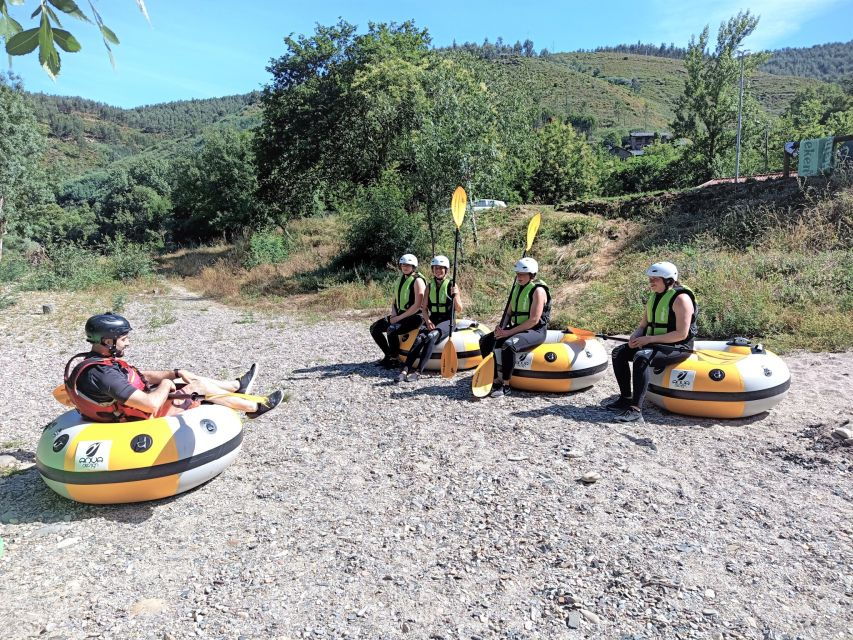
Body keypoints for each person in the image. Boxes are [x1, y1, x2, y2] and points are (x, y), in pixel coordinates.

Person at [64, 313, 284, 423]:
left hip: (130, 405)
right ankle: (253, 406)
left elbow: (139, 377)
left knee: (191, 384)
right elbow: (150, 405)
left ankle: (240, 391)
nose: (127, 343)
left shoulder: (97, 361)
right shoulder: (103, 374)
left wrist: (175, 374)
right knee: (198, 389)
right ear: (107, 341)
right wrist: (168, 384)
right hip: (134, 419)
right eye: (123, 339)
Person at [607, 261, 698, 423]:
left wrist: (649, 339)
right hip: (655, 343)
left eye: (655, 279)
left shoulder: (681, 299)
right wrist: (635, 337)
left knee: (642, 357)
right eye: (650, 278)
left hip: (678, 347)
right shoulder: (654, 297)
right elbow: (643, 325)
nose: (651, 282)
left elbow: (681, 334)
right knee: (618, 352)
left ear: (669, 280)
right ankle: (625, 398)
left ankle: (636, 410)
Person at [479, 257, 551, 398]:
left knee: (508, 345)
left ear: (532, 275)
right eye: (517, 273)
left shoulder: (538, 291)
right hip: (518, 327)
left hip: (535, 331)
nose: (519, 277)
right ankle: (493, 379)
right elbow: (508, 313)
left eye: (522, 274)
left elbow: (533, 320)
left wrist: (508, 333)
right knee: (485, 341)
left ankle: (506, 386)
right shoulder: (516, 289)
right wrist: (501, 329)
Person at [396, 255, 463, 383]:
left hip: (448, 321)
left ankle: (418, 372)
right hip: (434, 319)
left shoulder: (452, 285)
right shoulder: (429, 286)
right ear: (432, 270)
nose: (438, 271)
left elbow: (459, 309)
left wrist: (455, 295)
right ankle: (404, 370)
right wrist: (428, 321)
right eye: (435, 268)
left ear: (446, 270)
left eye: (441, 268)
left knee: (431, 336)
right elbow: (424, 308)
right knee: (420, 338)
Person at [369, 254, 426, 368]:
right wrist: (394, 314)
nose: (405, 267)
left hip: (416, 317)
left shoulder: (418, 281)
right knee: (374, 328)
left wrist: (398, 318)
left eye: (408, 265)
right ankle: (388, 355)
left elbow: (418, 305)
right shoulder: (401, 279)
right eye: (403, 265)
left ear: (413, 266)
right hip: (401, 314)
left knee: (392, 329)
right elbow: (395, 300)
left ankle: (394, 359)